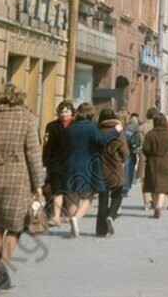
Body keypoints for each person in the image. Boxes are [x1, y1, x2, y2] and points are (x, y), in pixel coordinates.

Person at [0, 84, 45, 292]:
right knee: (16, 225)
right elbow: (33, 154)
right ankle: (2, 268)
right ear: (19, 98)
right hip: (20, 178)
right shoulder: (28, 120)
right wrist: (38, 183)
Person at [64, 102, 122, 237]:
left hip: (70, 163)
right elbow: (101, 140)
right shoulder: (91, 127)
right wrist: (115, 131)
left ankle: (73, 224)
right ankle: (76, 219)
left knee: (73, 195)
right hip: (86, 164)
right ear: (90, 113)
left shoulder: (70, 128)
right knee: (88, 196)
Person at [96, 108, 129, 236]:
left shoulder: (97, 129)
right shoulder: (118, 131)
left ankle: (101, 230)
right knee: (117, 195)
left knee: (102, 199)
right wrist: (122, 158)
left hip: (100, 168)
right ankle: (111, 215)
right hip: (115, 168)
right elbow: (124, 151)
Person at [42, 99, 73, 226]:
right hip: (56, 162)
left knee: (69, 189)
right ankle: (56, 215)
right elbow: (47, 146)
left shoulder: (76, 125)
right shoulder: (52, 126)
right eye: (61, 112)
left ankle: (69, 214)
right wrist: (45, 163)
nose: (64, 114)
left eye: (66, 111)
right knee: (57, 189)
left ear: (71, 112)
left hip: (71, 162)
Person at [142, 112, 168, 218]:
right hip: (165, 160)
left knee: (153, 186)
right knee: (163, 186)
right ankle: (159, 206)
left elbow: (145, 149)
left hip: (152, 161)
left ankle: (155, 205)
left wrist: (150, 154)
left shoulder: (150, 134)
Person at [135, 107, 158, 209]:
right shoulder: (158, 128)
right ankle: (154, 200)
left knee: (144, 179)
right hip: (155, 155)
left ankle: (146, 202)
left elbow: (138, 142)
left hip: (144, 155)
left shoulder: (141, 128)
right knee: (154, 179)